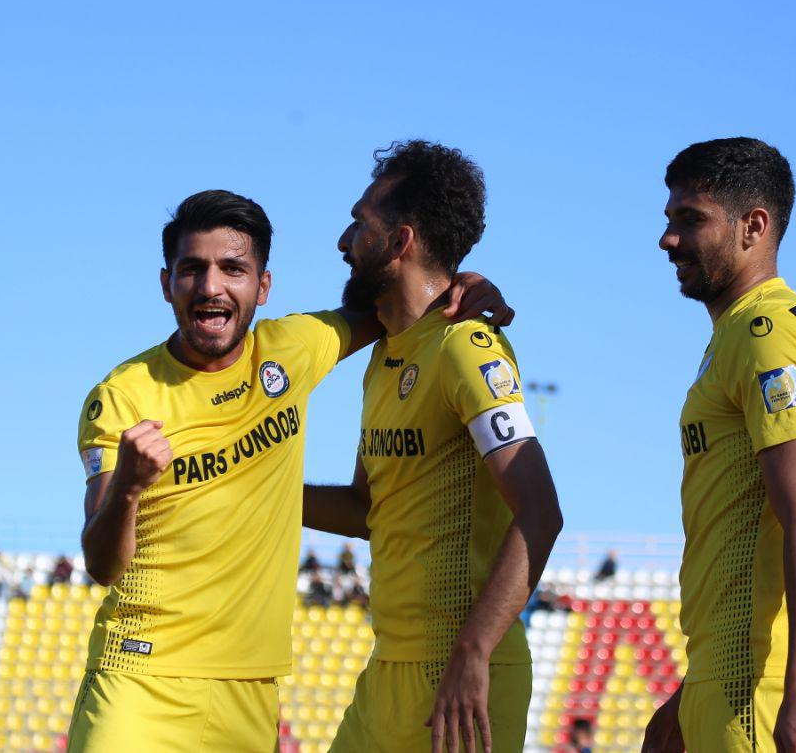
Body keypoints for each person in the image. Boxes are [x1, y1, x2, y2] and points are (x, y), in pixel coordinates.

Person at [68, 189, 511, 752]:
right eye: (191, 270)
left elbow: (401, 302)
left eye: (233, 269)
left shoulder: (293, 348)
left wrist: (464, 285)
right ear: (166, 285)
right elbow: (101, 563)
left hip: (251, 696)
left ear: (263, 286)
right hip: (138, 680)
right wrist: (127, 489)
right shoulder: (121, 395)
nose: (211, 287)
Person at [304, 141, 563, 752]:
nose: (344, 242)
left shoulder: (466, 347)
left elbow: (542, 512)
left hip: (462, 679)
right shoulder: (384, 358)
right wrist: (258, 488)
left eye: (360, 223)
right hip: (386, 671)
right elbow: (369, 509)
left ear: (401, 241)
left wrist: (473, 652)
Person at [644, 138, 796, 753]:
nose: (668, 239)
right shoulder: (736, 334)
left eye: (690, 219)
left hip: (763, 684)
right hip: (730, 673)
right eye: (668, 219)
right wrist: (692, 691)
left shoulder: (769, 333)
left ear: (753, 227)